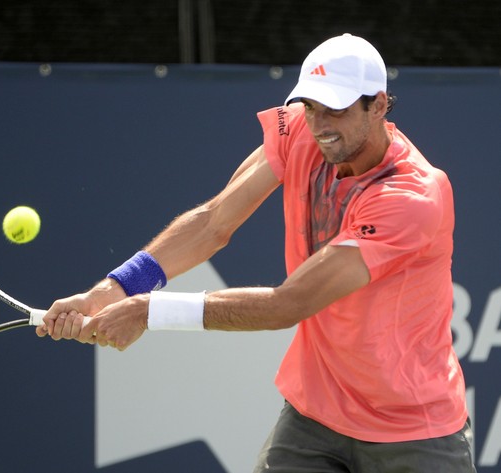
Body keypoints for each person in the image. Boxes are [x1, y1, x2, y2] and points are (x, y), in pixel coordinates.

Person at [37, 34, 475, 472]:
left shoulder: (412, 196)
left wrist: (147, 311)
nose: (320, 124)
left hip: (414, 432)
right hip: (315, 417)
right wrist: (113, 290)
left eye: (336, 110)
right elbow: (213, 223)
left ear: (378, 105)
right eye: (311, 106)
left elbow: (290, 304)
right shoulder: (300, 130)